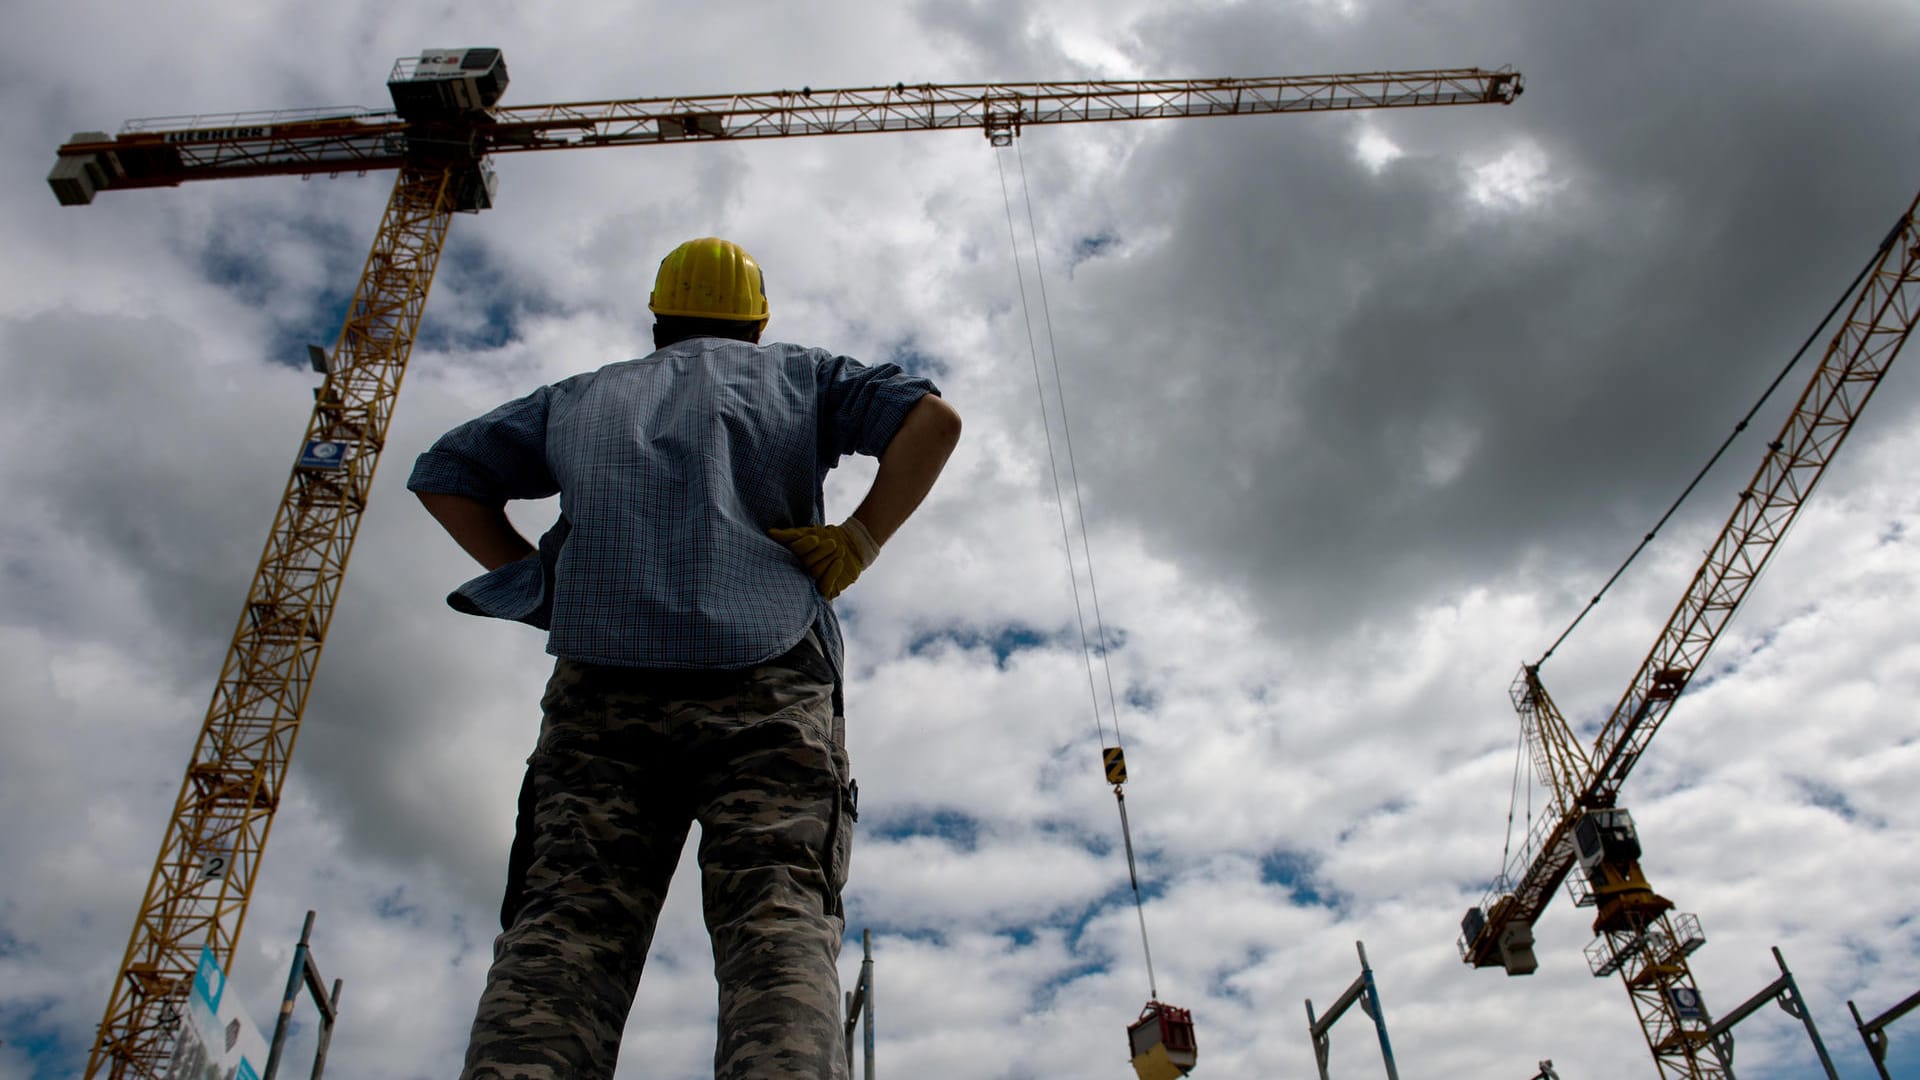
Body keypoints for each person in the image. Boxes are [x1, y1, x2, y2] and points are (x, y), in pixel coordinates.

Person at [408, 237, 962, 1080]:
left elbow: (446, 473)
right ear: (759, 319)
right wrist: (858, 537)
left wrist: (540, 585)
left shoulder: (579, 398)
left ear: (658, 320)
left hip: (601, 689)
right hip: (769, 678)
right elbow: (934, 419)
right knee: (776, 923)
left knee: (563, 932)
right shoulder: (800, 375)